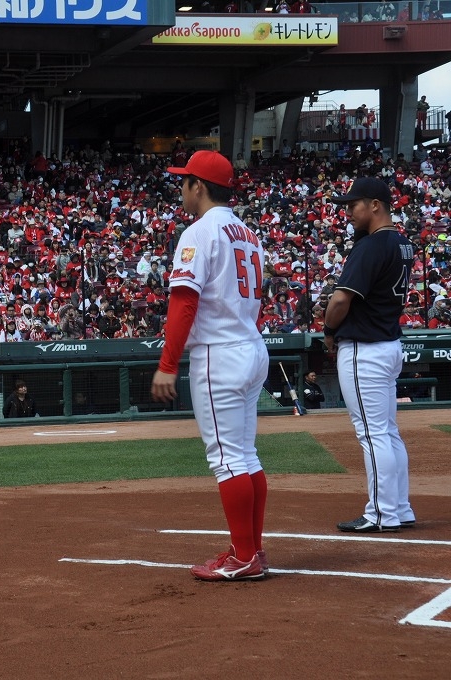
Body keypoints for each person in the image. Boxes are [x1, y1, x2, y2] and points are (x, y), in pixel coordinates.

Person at [152, 150, 269, 582]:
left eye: (185, 182)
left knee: (227, 459)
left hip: (218, 353)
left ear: (198, 186)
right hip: (250, 346)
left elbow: (184, 303)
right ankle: (250, 550)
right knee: (245, 456)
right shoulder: (248, 233)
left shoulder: (199, 232)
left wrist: (168, 364)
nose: (181, 188)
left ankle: (243, 557)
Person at [324, 177, 415, 533]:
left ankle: (381, 512)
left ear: (375, 205)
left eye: (353, 205)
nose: (347, 212)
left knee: (373, 434)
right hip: (388, 344)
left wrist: (329, 332)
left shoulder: (372, 246)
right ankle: (400, 507)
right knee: (388, 432)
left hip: (366, 349)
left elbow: (341, 300)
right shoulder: (402, 243)